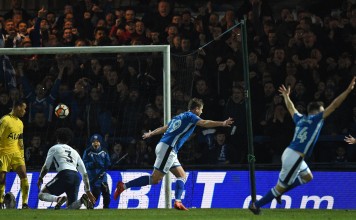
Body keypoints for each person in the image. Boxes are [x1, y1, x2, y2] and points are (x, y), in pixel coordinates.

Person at [249, 76, 356, 215]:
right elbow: (335, 105)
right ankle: (256, 205)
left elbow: (291, 108)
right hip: (294, 157)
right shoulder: (317, 119)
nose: (324, 113)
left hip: (292, 154)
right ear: (317, 112)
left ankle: (280, 192)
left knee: (308, 177)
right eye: (323, 110)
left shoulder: (300, 118)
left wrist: (286, 97)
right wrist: (348, 91)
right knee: (279, 187)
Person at [113, 98, 234, 210]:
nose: (201, 112)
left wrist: (151, 134)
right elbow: (204, 123)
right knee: (155, 179)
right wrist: (222, 123)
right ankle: (123, 186)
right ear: (196, 108)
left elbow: (164, 128)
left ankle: (178, 201)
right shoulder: (192, 116)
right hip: (168, 149)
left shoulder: (179, 117)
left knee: (182, 176)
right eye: (201, 109)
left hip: (167, 148)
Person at [37, 128, 96, 209]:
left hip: (64, 174)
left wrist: (40, 177)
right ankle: (82, 200)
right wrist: (88, 191)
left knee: (41, 195)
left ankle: (58, 199)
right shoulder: (75, 152)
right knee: (70, 207)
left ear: (57, 138)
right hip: (76, 177)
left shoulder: (54, 148)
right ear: (68, 140)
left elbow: (46, 167)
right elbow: (84, 173)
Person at [0, 99, 30, 209]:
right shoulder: (5, 120)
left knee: (24, 175)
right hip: (3, 153)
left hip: (16, 153)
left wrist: (22, 155)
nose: (25, 111)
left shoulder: (20, 123)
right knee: (1, 179)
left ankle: (25, 204)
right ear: (18, 107)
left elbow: (20, 140)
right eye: (24, 108)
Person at [82, 134, 111, 209]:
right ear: (91, 142)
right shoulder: (87, 152)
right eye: (94, 142)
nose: (95, 143)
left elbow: (108, 163)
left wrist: (107, 166)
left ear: (100, 142)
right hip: (93, 177)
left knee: (106, 193)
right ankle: (90, 206)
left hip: (102, 176)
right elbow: (84, 164)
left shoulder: (104, 151)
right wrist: (93, 164)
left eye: (97, 141)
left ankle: (106, 208)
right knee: (96, 193)